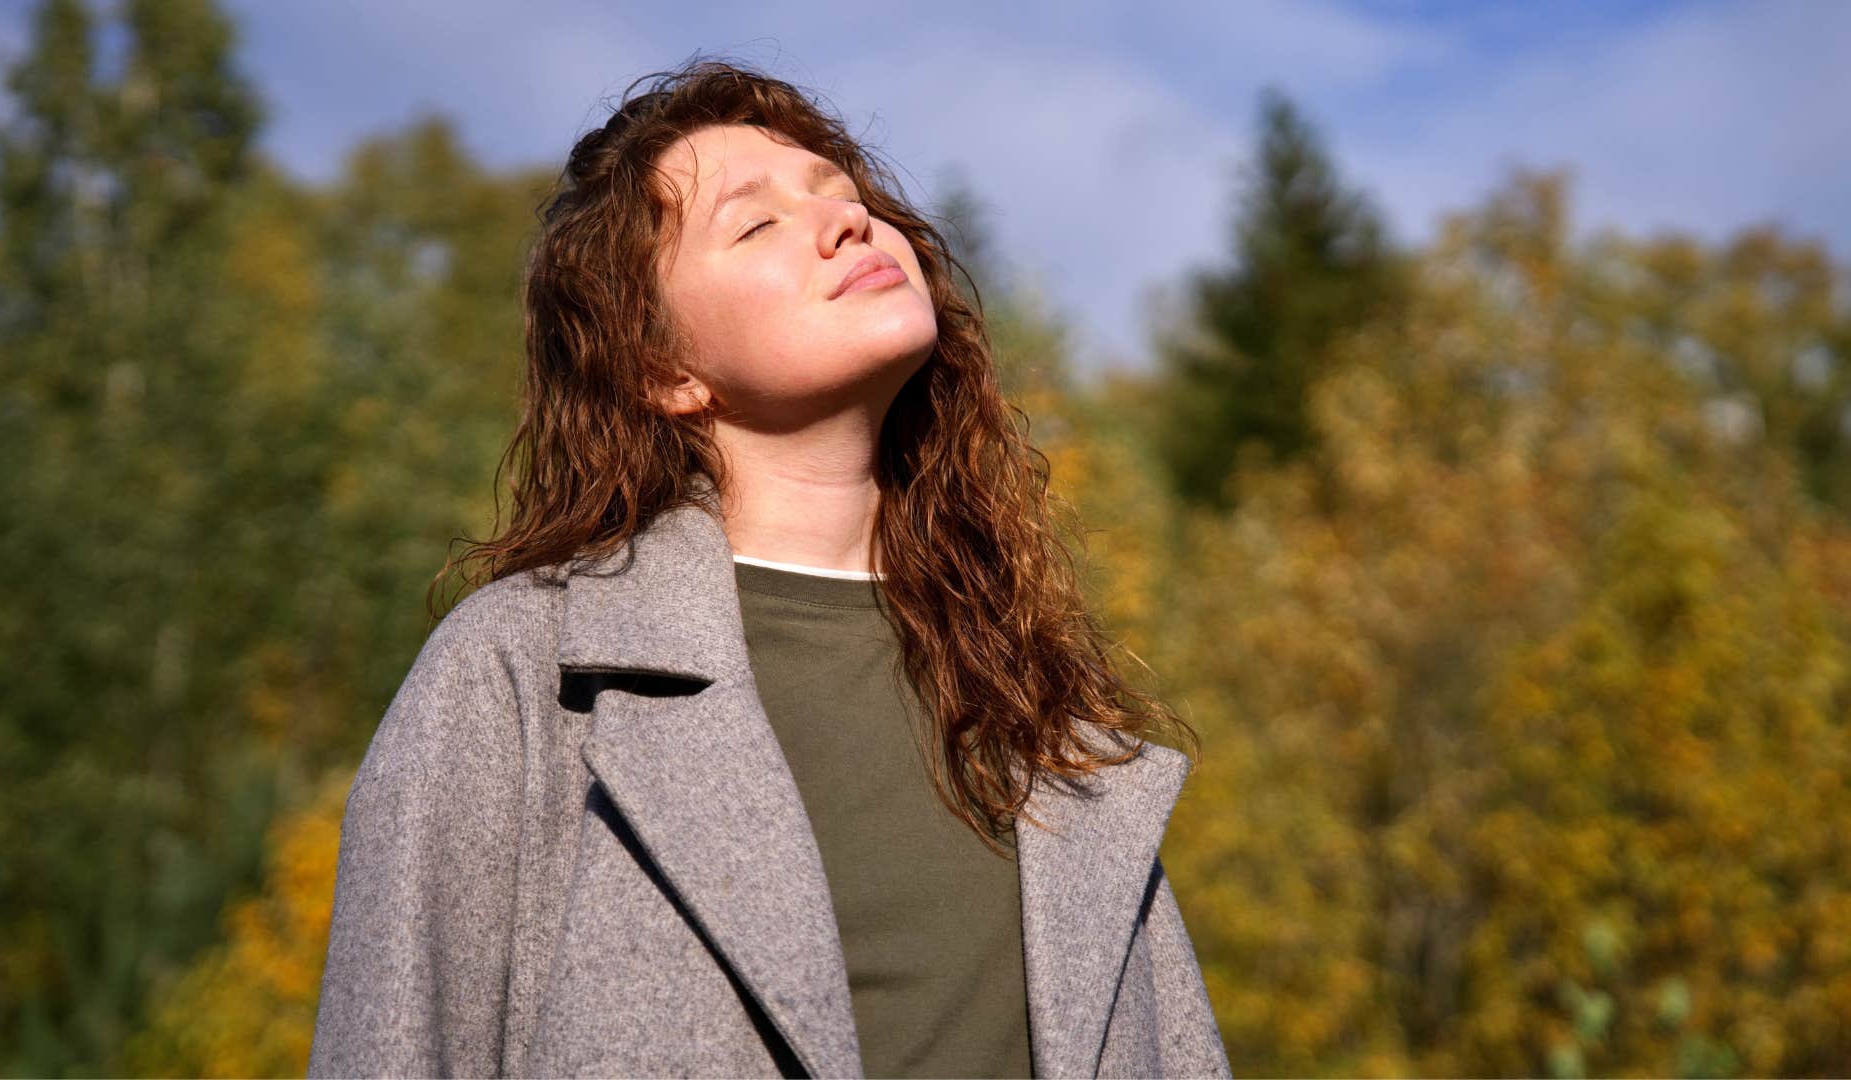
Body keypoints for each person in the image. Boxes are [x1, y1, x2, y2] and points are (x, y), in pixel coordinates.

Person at [307, 58, 1230, 1079]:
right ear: (663, 369)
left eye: (844, 197)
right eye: (756, 224)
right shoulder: (523, 675)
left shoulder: (1038, 705)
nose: (848, 224)